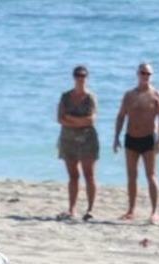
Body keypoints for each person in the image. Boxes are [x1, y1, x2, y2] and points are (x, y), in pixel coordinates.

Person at [113, 63, 159, 223]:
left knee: (151, 175)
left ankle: (155, 211)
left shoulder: (156, 94)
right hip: (131, 138)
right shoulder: (129, 95)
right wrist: (116, 136)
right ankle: (131, 210)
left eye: (148, 74)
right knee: (131, 175)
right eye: (143, 73)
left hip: (148, 138)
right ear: (137, 74)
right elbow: (121, 116)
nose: (145, 76)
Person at [56, 65, 99, 222]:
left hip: (87, 139)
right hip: (68, 139)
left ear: (87, 78)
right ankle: (72, 208)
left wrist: (72, 120)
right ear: (74, 77)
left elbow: (91, 120)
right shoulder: (65, 96)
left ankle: (90, 209)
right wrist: (80, 122)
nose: (80, 78)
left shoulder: (90, 97)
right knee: (73, 175)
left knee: (89, 175)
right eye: (78, 75)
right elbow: (60, 118)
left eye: (83, 76)